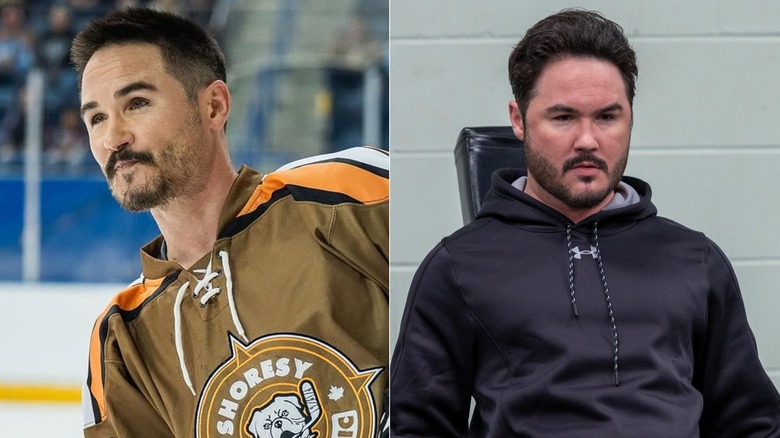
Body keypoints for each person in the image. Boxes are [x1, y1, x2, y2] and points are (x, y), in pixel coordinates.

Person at [390, 8, 780, 437]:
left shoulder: (695, 259)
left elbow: (752, 422)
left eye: (607, 117)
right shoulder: (458, 266)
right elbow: (419, 426)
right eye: (564, 117)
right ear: (518, 120)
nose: (588, 140)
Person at [71, 8, 388, 438]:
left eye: (137, 103)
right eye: (96, 118)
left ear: (214, 105)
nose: (113, 137)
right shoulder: (122, 340)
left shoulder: (345, 193)